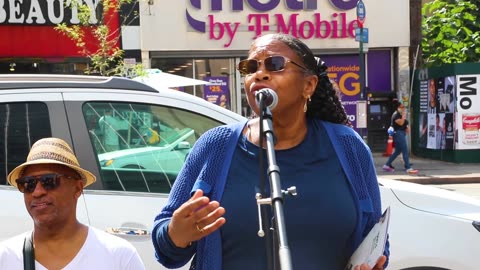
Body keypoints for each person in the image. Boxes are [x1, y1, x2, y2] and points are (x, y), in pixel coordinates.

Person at [151, 33, 389, 270]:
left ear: (309, 85)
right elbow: (167, 250)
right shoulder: (215, 146)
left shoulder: (349, 147)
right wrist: (176, 234)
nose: (260, 74)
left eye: (275, 65)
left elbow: (375, 238)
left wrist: (373, 263)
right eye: (251, 67)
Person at [0, 137, 146, 270]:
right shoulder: (6, 257)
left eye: (49, 181)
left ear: (77, 188)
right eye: (28, 184)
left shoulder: (119, 255)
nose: (37, 192)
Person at [382, 102, 419, 174]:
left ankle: (386, 165)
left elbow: (405, 124)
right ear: (398, 108)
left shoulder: (400, 115)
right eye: (401, 107)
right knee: (405, 150)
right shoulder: (396, 115)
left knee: (397, 151)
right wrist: (404, 116)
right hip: (398, 134)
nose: (403, 109)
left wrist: (407, 127)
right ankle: (408, 167)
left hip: (402, 133)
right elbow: (401, 123)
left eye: (403, 107)